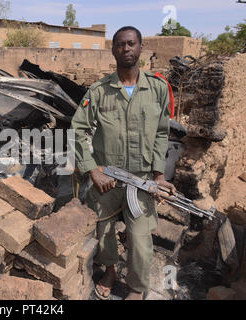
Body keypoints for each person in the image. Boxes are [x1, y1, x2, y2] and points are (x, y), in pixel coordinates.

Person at [71, 26, 177, 300]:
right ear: (113, 50)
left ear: (141, 48)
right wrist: (92, 170)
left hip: (141, 179)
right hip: (107, 177)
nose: (126, 49)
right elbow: (78, 130)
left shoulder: (157, 89)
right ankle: (110, 271)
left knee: (141, 239)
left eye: (131, 44)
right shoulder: (98, 91)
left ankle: (136, 288)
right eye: (120, 44)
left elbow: (162, 133)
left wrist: (158, 175)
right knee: (103, 230)